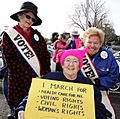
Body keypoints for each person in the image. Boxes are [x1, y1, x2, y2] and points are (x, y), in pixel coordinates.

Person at [16, 48, 111, 119]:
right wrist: (22, 108)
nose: (71, 64)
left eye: (75, 61)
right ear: (62, 64)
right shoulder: (49, 78)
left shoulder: (87, 84)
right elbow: (32, 97)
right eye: (68, 61)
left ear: (79, 66)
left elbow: (97, 106)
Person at [1, 1, 51, 119]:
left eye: (33, 19)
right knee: (18, 112)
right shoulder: (8, 35)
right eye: (28, 17)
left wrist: (44, 74)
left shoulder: (37, 35)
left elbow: (45, 56)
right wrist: (29, 75)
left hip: (36, 81)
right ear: (20, 15)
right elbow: (11, 62)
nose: (30, 21)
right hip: (17, 81)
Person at [79, 27, 119, 119]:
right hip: (80, 94)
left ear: (100, 44)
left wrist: (99, 82)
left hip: (101, 92)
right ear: (84, 42)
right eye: (89, 42)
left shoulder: (108, 56)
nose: (92, 45)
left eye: (96, 43)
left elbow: (114, 75)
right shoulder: (76, 54)